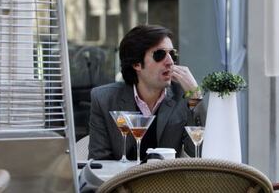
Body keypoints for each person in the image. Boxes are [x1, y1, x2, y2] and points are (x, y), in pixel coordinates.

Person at [88, 25, 205, 160]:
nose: (170, 62)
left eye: (172, 54)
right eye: (160, 55)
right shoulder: (104, 99)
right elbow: (99, 160)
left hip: (167, 180)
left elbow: (200, 152)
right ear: (137, 64)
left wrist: (195, 96)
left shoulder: (184, 96)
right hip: (121, 180)